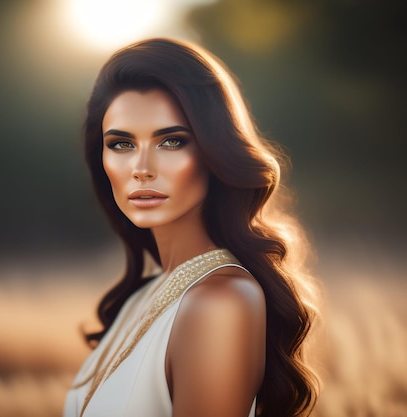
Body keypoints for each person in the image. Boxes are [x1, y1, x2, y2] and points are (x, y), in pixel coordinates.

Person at [64, 38, 319, 417]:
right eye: (121, 144)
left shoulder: (220, 301)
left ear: (215, 151)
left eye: (171, 141)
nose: (141, 168)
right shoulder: (143, 295)